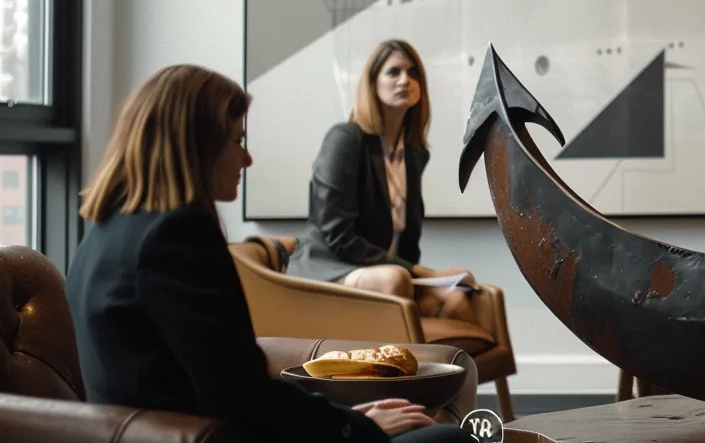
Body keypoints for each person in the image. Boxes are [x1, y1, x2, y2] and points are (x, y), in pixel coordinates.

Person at [66, 64, 474, 443]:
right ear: (198, 146)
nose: (247, 158)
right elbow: (242, 398)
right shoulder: (176, 237)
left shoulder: (107, 231)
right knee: (450, 438)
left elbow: (230, 385)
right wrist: (356, 427)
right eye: (237, 141)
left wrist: (337, 415)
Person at [287, 40, 473, 322]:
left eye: (413, 74)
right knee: (394, 279)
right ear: (372, 83)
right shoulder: (345, 139)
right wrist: (420, 273)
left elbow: (409, 241)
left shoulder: (413, 153)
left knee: (461, 288)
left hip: (386, 272)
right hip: (331, 268)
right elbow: (338, 236)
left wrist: (425, 275)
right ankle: (398, 363)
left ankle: (436, 365)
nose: (404, 81)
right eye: (393, 72)